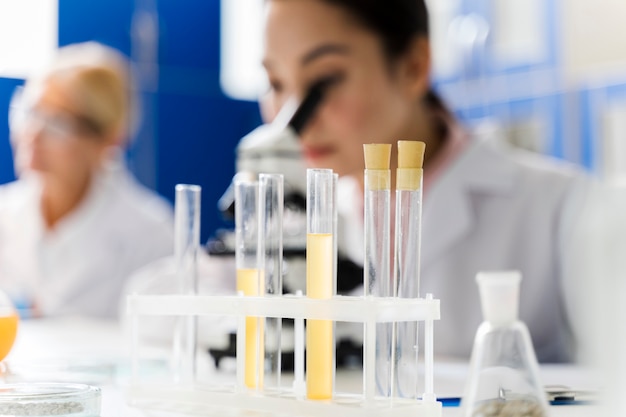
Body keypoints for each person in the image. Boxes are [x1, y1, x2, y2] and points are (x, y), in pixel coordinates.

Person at [258, 0, 595, 363]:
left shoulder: (564, 208)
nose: (292, 121)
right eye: (275, 83)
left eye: (325, 79)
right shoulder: (295, 222)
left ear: (413, 67)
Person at [0, 42, 174, 319]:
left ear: (108, 140)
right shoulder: (4, 215)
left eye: (57, 123)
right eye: (29, 112)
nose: (32, 134)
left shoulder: (151, 236)